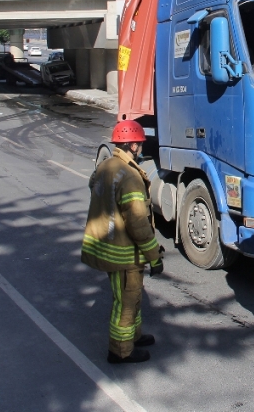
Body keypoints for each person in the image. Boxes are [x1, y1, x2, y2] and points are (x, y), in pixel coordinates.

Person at [81, 120, 163, 364]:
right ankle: (120, 351)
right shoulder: (129, 177)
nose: (140, 147)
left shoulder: (106, 166)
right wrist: (154, 257)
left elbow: (93, 186)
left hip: (107, 245)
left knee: (133, 295)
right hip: (123, 253)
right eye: (138, 143)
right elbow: (138, 224)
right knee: (126, 302)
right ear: (132, 145)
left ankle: (133, 337)